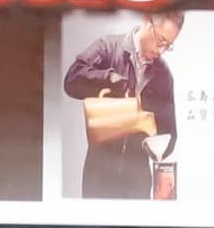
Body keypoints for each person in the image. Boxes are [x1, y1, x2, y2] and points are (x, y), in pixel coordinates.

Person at [64, 11, 186, 199]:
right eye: (161, 41)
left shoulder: (163, 75)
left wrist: (157, 145)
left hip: (137, 181)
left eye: (168, 46)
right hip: (98, 175)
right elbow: (71, 80)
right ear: (147, 20)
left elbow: (170, 134)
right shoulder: (109, 48)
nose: (161, 51)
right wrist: (108, 78)